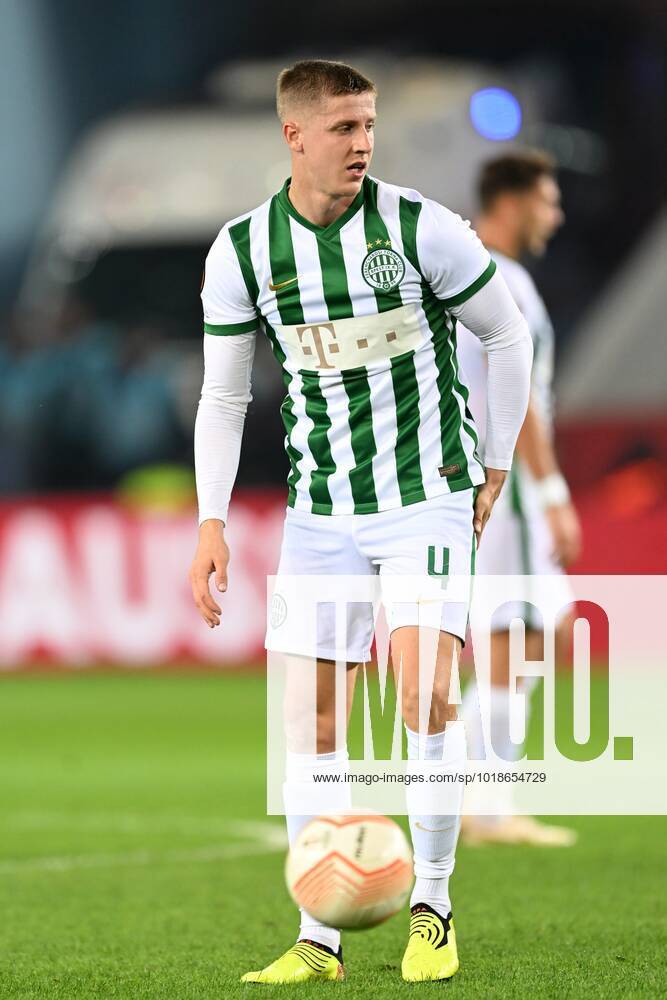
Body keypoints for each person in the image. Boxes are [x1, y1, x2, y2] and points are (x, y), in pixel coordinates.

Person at [189, 60, 532, 984]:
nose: (362, 143)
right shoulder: (244, 251)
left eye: (368, 125)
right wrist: (210, 521)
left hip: (423, 494)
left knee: (421, 694)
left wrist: (493, 462)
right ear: (293, 136)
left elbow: (506, 334)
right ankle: (319, 936)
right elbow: (223, 398)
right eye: (342, 128)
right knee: (312, 721)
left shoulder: (421, 228)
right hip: (319, 514)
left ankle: (432, 906)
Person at [457, 151, 582, 846]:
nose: (554, 214)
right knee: (516, 642)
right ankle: (486, 808)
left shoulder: (471, 276)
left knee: (531, 640)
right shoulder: (502, 281)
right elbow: (521, 396)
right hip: (508, 490)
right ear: (509, 201)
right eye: (546, 199)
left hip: (488, 484)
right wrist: (552, 490)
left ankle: (479, 800)